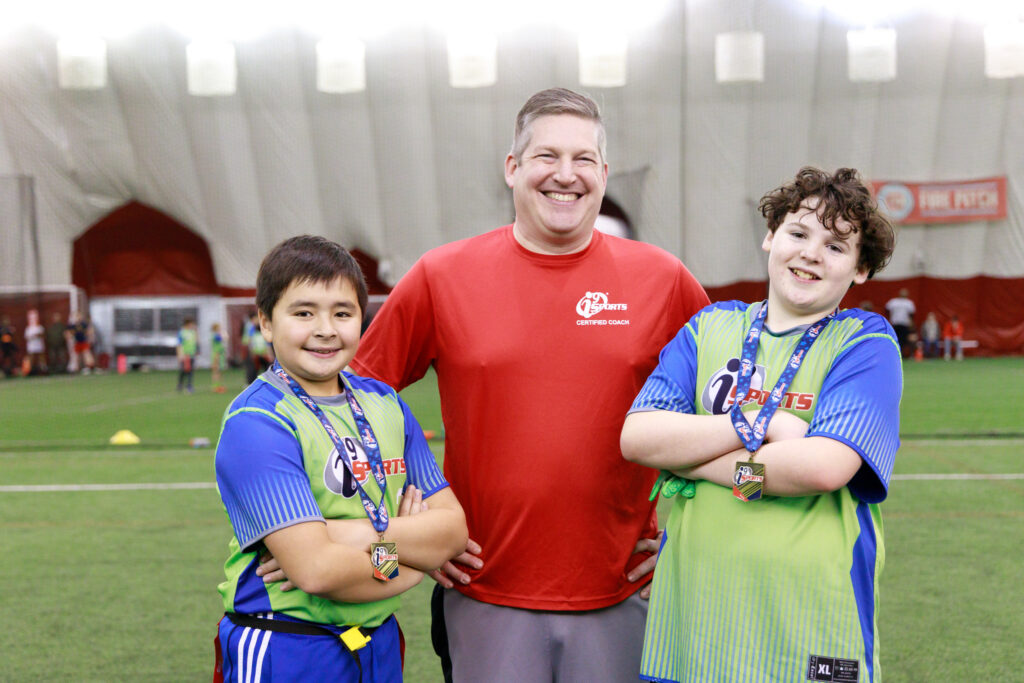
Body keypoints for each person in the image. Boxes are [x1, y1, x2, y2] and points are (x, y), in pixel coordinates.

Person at [346, 88, 709, 682]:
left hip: (624, 594)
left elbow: (729, 418)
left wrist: (690, 540)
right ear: (512, 168)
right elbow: (354, 401)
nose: (565, 175)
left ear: (604, 174)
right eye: (546, 156)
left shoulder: (663, 280)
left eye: (583, 159)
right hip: (484, 590)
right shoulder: (443, 275)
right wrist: (416, 524)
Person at [621, 167, 901, 682]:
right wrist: (753, 420)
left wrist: (694, 465)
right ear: (771, 237)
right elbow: (638, 436)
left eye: (837, 246)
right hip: (693, 624)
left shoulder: (865, 343)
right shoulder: (709, 327)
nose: (811, 253)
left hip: (810, 626)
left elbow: (821, 468)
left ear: (860, 270)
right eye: (798, 233)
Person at [214, 235, 467, 682]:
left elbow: (452, 532)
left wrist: (349, 537)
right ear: (266, 323)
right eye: (303, 312)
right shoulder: (257, 422)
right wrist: (411, 563)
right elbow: (316, 570)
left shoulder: (385, 403)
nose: (326, 328)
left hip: (376, 638)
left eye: (343, 313)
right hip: (288, 643)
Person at [885, 287, 915, 357]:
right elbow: (911, 315)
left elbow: (886, 309)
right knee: (900, 339)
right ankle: (897, 353)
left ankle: (898, 353)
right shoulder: (908, 303)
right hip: (900, 323)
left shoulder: (894, 302)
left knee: (899, 339)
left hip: (900, 323)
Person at [176, 317, 198, 393]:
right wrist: (180, 355)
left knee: (190, 371)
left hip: (191, 354)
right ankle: (180, 384)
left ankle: (189, 386)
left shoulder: (193, 332)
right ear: (188, 323)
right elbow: (179, 344)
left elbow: (196, 341)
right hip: (184, 354)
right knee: (183, 370)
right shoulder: (182, 332)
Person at [23, 309, 47, 375]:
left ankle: (43, 369)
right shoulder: (28, 328)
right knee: (31, 357)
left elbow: (43, 335)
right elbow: (26, 337)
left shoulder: (40, 327)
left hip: (39, 345)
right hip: (31, 346)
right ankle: (29, 370)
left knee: (41, 357)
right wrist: (33, 336)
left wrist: (37, 335)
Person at [210, 322, 227, 393]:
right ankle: (215, 386)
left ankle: (219, 385)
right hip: (216, 354)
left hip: (220, 354)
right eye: (218, 327)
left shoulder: (216, 335)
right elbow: (225, 338)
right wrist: (224, 334)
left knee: (219, 371)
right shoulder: (215, 335)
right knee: (216, 371)